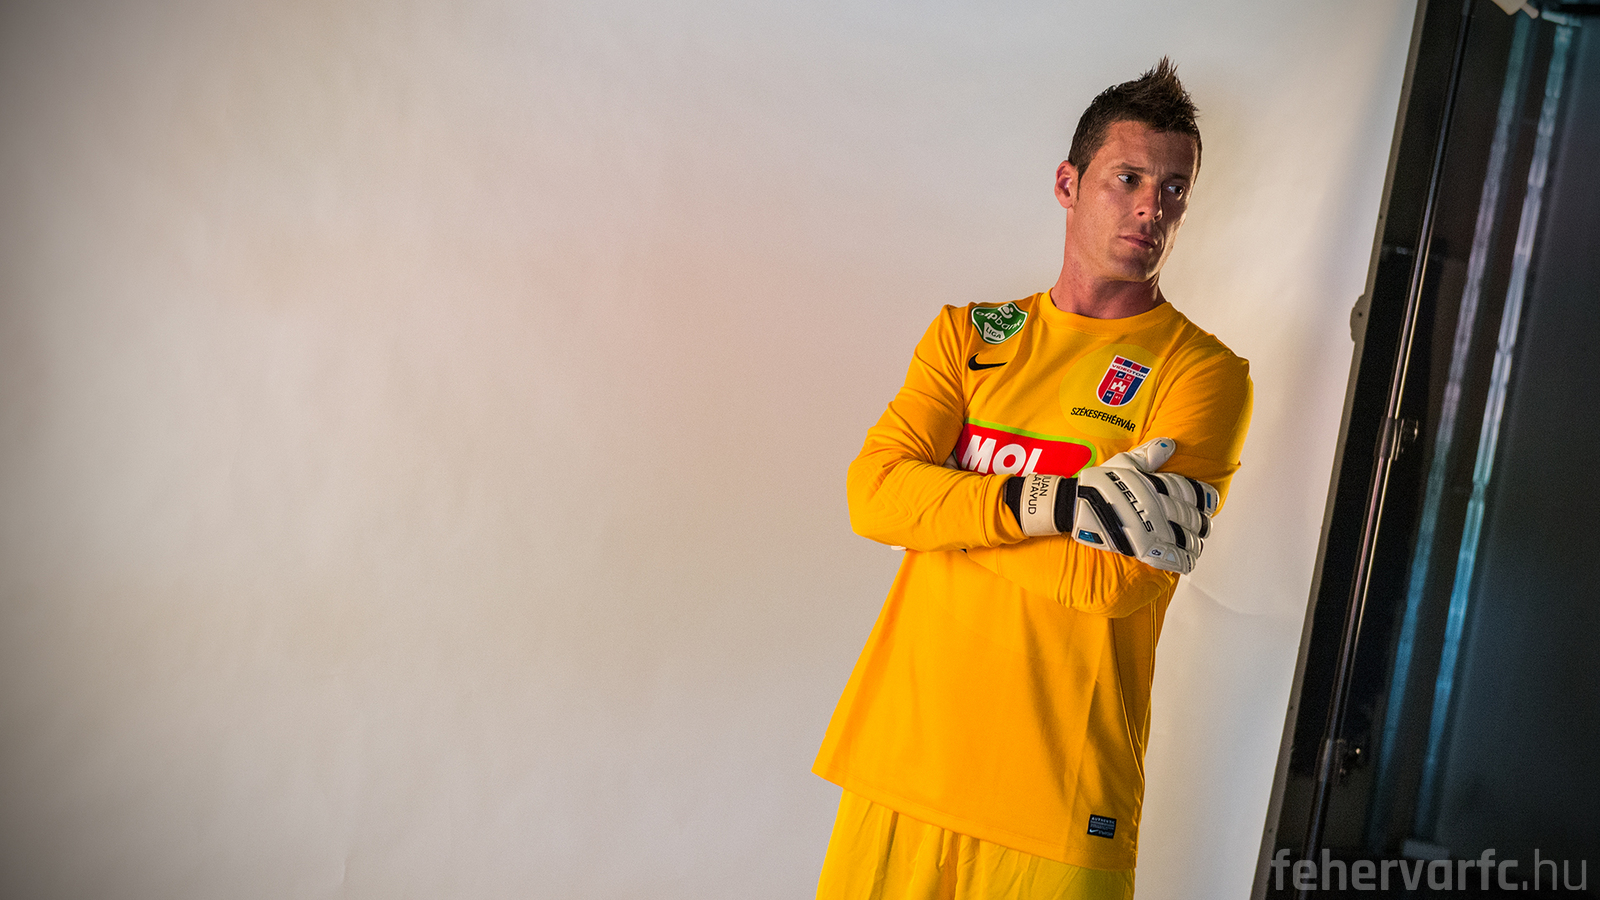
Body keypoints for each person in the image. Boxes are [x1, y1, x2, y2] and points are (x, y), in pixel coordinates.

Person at [812, 59, 1254, 900]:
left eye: (1174, 189)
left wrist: (942, 510)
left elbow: (1111, 579)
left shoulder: (1202, 374)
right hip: (898, 766)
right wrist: (1053, 503)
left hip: (1060, 801)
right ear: (1068, 183)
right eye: (1128, 178)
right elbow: (873, 496)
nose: (1151, 207)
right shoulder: (970, 336)